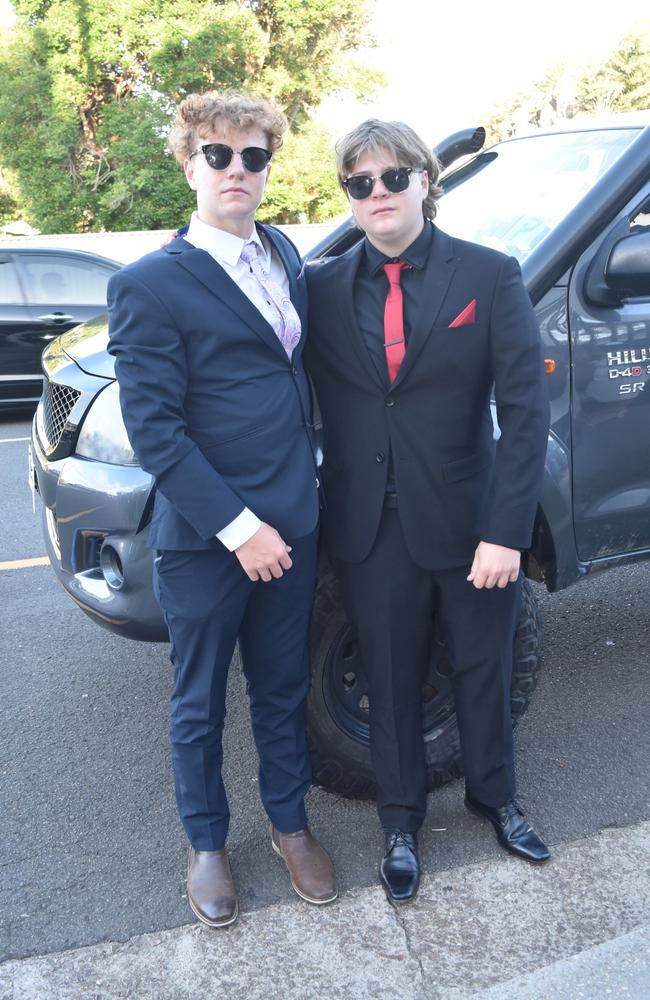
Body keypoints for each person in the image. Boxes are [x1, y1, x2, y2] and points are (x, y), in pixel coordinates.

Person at [304, 119, 550, 904]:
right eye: (359, 182)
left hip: (472, 523)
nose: (377, 193)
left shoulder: (488, 276)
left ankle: (495, 798)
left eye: (392, 176)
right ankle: (400, 824)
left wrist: (506, 531)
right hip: (369, 528)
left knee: (484, 669)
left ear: (424, 181)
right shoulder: (317, 291)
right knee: (390, 675)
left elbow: (525, 413)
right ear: (348, 197)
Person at [107, 90, 336, 928]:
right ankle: (207, 842)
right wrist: (241, 530)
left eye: (253, 157)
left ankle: (289, 824)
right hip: (211, 539)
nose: (236, 170)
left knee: (280, 689)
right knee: (199, 700)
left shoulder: (282, 252)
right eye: (218, 154)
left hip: (296, 523)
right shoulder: (149, 284)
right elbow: (156, 434)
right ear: (189, 161)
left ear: (269, 168)